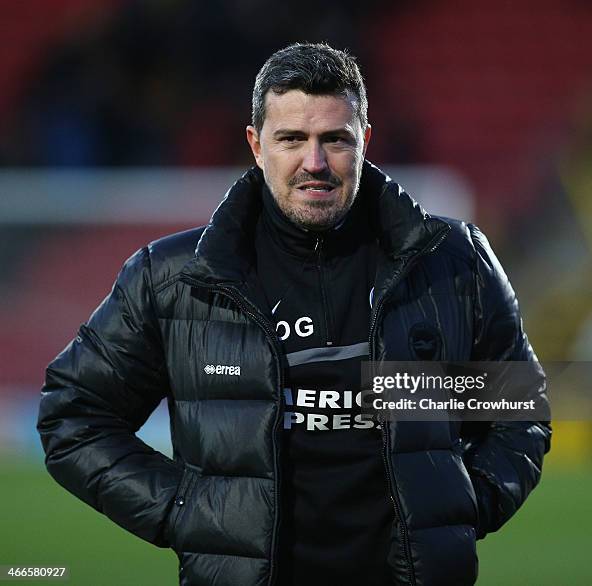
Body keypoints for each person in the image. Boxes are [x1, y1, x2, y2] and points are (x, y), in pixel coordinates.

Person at [37, 43, 551, 586]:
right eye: (292, 139)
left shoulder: (450, 263)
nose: (315, 163)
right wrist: (186, 512)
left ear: (365, 141)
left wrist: (463, 508)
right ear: (257, 145)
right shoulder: (174, 279)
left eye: (335, 139)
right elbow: (73, 416)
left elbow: (518, 412)